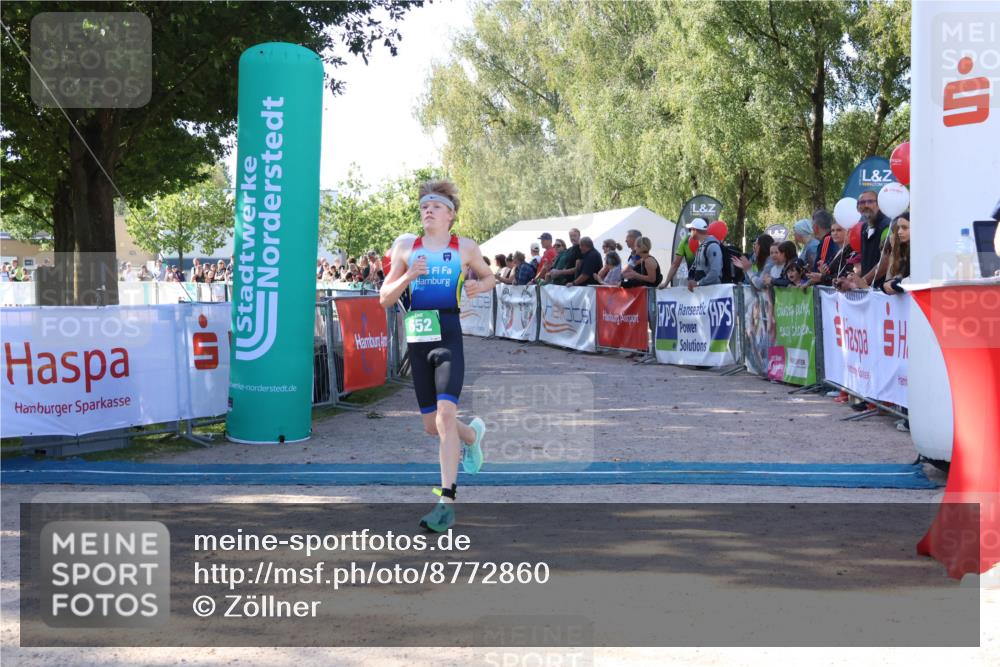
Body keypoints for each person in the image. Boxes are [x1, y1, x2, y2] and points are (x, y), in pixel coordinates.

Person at [379, 180, 493, 533]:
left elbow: (491, 278)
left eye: (435, 206)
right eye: (424, 206)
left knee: (446, 414)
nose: (427, 210)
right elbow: (384, 297)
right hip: (418, 337)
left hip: (448, 334)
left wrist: (478, 285)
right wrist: (409, 275)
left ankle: (446, 500)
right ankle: (472, 437)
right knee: (433, 426)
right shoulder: (405, 246)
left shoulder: (466, 248)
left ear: (450, 215)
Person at [857, 189, 892, 288]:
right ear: (858, 208)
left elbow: (886, 261)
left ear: (879, 205)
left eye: (870, 201)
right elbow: (867, 263)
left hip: (884, 292)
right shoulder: (864, 227)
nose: (866, 205)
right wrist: (853, 278)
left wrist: (863, 281)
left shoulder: (887, 225)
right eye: (862, 202)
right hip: (869, 291)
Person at [685, 218, 722, 290]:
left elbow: (715, 272)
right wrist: (691, 279)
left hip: (713, 291)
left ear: (695, 230)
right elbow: (694, 267)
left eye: (690, 230)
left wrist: (698, 283)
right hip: (703, 291)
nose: (690, 232)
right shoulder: (701, 246)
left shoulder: (712, 246)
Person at [882, 213, 910, 295]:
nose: (899, 232)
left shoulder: (919, 251)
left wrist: (892, 283)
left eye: (904, 228)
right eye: (898, 228)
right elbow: (889, 279)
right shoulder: (902, 250)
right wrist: (894, 251)